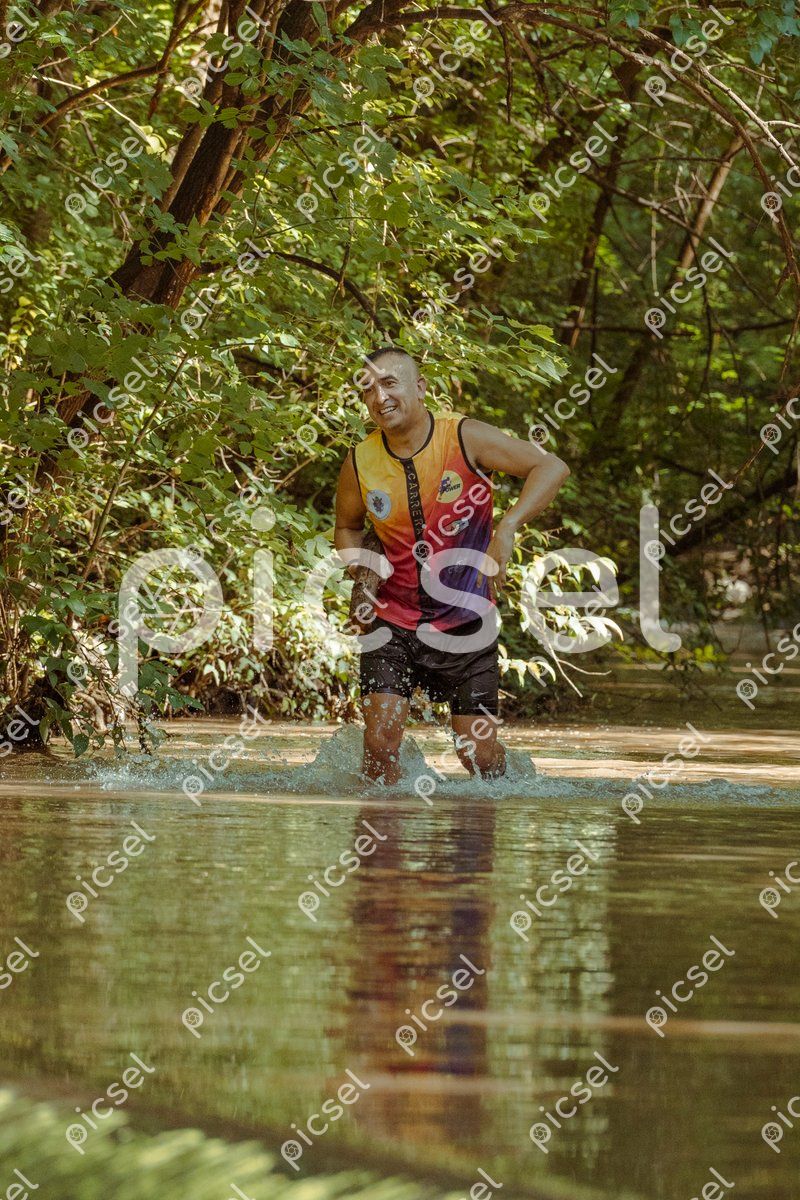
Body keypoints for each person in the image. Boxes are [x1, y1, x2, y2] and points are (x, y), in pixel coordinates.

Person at [334, 345, 570, 784]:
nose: (379, 397)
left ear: (420, 388)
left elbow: (551, 467)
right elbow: (346, 528)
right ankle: (383, 823)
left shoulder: (464, 437)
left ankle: (511, 787)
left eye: (390, 383)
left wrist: (508, 526)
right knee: (380, 744)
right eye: (368, 389)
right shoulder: (360, 461)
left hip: (467, 622)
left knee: (477, 757)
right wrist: (363, 569)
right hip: (391, 624)